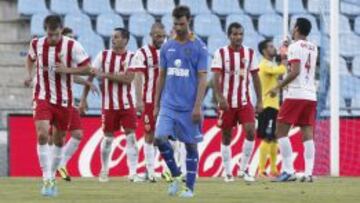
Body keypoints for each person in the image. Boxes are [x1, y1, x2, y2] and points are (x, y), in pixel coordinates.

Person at [24, 15, 92, 196]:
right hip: (42, 96)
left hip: (64, 101)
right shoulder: (36, 44)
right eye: (49, 34)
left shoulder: (73, 46)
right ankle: (46, 178)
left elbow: (88, 68)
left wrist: (68, 70)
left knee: (59, 140)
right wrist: (30, 75)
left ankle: (52, 176)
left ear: (61, 30)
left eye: (55, 34)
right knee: (42, 134)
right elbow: (30, 59)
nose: (53, 38)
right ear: (45, 30)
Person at [153, 5, 208, 198]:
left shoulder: (199, 47)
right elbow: (161, 76)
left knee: (190, 146)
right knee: (159, 138)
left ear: (189, 21)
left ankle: (189, 188)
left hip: (188, 107)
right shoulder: (168, 46)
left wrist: (197, 106)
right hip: (169, 104)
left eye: (182, 23)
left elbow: (202, 79)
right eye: (175, 23)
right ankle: (176, 175)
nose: (178, 27)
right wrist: (156, 103)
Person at [80, 27, 141, 183]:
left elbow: (128, 79)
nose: (113, 39)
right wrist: (83, 99)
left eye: (117, 37)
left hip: (128, 104)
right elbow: (91, 75)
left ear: (125, 40)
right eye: (113, 37)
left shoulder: (133, 57)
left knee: (131, 137)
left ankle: (133, 173)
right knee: (107, 139)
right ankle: (104, 170)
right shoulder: (103, 55)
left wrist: (106, 75)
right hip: (109, 106)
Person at [268, 18, 318, 182]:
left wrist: (278, 87)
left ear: (296, 28)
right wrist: (286, 52)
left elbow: (295, 71)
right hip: (311, 94)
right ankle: (309, 173)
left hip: (295, 94)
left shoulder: (295, 47)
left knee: (280, 132)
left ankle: (289, 170)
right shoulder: (313, 47)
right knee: (307, 133)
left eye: (293, 26)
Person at [211, 22, 263, 182]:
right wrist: (220, 97)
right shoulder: (220, 53)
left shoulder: (250, 53)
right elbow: (215, 78)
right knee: (226, 136)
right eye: (234, 34)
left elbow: (255, 77)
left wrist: (260, 100)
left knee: (251, 131)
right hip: (226, 102)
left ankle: (243, 169)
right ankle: (227, 172)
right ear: (229, 35)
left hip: (244, 101)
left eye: (240, 34)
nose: (238, 37)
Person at [47, 27, 99, 182]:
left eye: (72, 37)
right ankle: (50, 170)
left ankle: (61, 164)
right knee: (52, 135)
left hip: (68, 100)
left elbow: (70, 76)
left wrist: (86, 83)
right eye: (68, 37)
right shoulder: (52, 54)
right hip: (52, 99)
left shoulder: (70, 55)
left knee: (77, 134)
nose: (71, 40)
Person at [130, 22, 166, 182]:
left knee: (169, 136)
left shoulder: (169, 51)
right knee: (149, 134)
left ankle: (168, 171)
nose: (160, 38)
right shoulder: (142, 53)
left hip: (167, 101)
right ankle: (150, 172)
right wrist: (138, 100)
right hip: (150, 100)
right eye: (157, 35)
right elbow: (138, 77)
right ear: (151, 35)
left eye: (162, 36)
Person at [257, 39, 287, 177]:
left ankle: (273, 169)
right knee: (267, 138)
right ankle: (261, 170)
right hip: (267, 105)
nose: (273, 48)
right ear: (264, 51)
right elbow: (280, 69)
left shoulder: (270, 64)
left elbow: (279, 79)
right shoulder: (264, 65)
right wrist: (284, 59)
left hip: (274, 106)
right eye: (270, 46)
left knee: (274, 138)